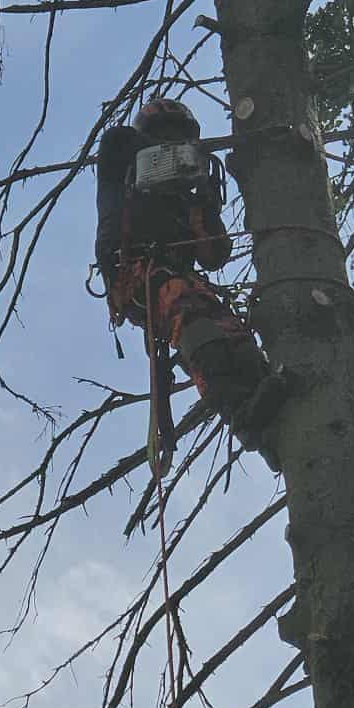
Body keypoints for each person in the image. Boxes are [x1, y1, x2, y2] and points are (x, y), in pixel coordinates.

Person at [95, 95, 291, 468]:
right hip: (136, 272)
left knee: (235, 336)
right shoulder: (121, 169)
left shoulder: (186, 196)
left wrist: (202, 204)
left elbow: (213, 255)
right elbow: (116, 140)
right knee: (197, 327)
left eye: (178, 136)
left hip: (180, 278)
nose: (173, 143)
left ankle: (272, 433)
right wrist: (176, 153)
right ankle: (243, 415)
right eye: (164, 135)